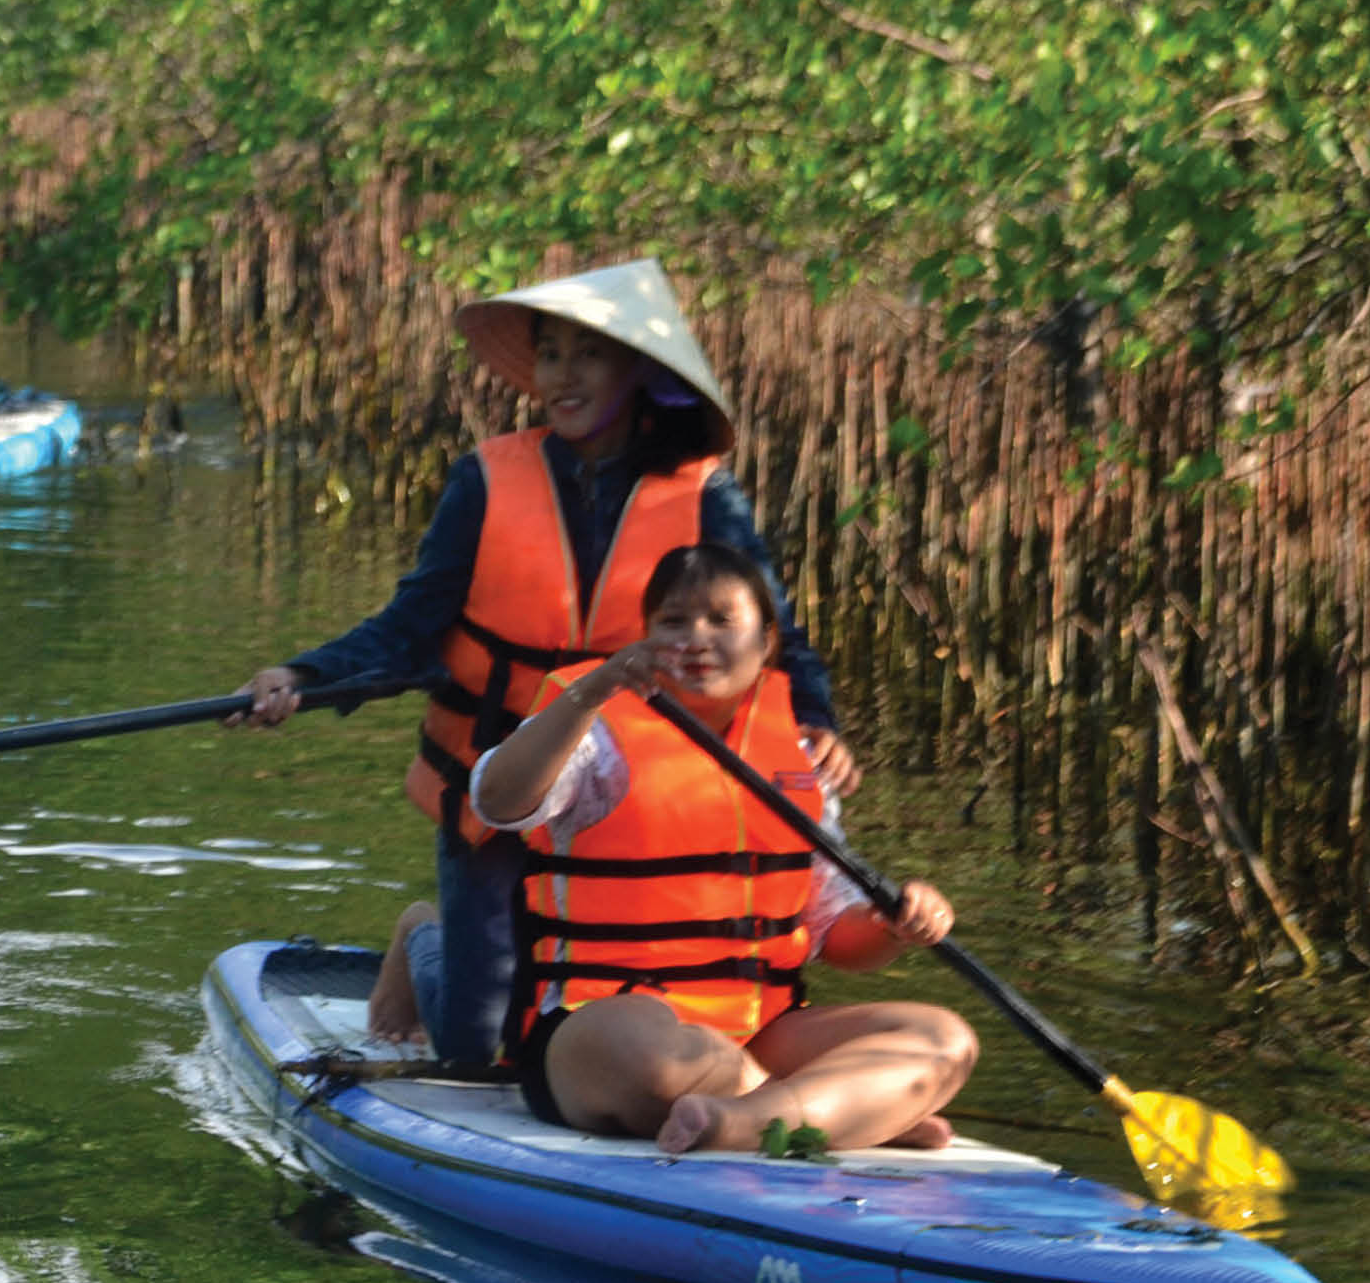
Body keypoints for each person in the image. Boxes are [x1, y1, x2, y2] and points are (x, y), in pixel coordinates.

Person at [229, 259, 853, 1066]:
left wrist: (817, 721)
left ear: (638, 372)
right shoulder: (486, 479)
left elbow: (776, 636)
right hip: (497, 779)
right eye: (550, 356)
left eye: (585, 356)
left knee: (575, 1027)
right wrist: (303, 676)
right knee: (474, 1049)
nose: (562, 376)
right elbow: (414, 624)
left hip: (631, 791)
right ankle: (425, 939)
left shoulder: (707, 497)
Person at [461, 545, 971, 1154]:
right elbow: (497, 801)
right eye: (673, 622)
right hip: (611, 1024)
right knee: (638, 1050)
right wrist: (589, 692)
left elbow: (836, 935)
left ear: (767, 641)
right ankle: (839, 1111)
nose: (696, 639)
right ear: (646, 639)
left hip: (762, 1030)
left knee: (944, 1040)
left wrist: (896, 925)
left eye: (722, 620)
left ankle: (744, 1121)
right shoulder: (599, 732)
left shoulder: (802, 758)